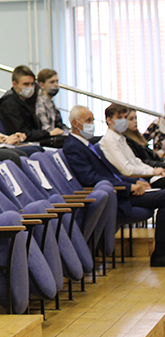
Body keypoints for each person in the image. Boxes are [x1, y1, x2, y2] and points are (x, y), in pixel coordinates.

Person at [62, 104, 165, 266]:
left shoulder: (86, 144)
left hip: (120, 188)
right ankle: (160, 255)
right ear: (75, 123)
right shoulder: (73, 147)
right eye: (88, 121)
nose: (92, 124)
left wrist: (134, 182)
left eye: (92, 120)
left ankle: (161, 254)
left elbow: (110, 173)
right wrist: (129, 187)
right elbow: (90, 179)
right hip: (116, 195)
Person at [0, 65, 65, 146]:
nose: (30, 87)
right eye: (26, 84)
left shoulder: (28, 100)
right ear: (15, 84)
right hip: (22, 143)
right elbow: (21, 133)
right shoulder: (9, 104)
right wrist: (48, 133)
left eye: (32, 84)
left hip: (35, 139)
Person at [99, 103, 165, 183]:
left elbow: (136, 161)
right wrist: (152, 172)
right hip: (136, 181)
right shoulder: (109, 140)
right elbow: (127, 169)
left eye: (124, 117)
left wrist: (154, 170)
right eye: (119, 118)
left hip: (145, 175)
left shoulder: (121, 138)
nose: (123, 121)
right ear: (109, 120)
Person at [35, 68, 67, 133]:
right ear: (42, 85)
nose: (56, 85)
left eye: (57, 81)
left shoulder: (50, 102)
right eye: (52, 82)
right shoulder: (39, 102)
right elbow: (46, 128)